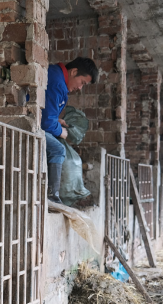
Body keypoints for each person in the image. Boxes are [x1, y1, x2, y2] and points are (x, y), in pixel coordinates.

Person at [41, 57, 98, 203]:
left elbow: (46, 113)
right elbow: (46, 123)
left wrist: (57, 121)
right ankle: (52, 198)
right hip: (28, 124)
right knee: (58, 149)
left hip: (36, 121)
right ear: (73, 72)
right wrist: (61, 131)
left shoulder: (56, 76)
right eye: (82, 83)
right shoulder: (58, 83)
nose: (80, 88)